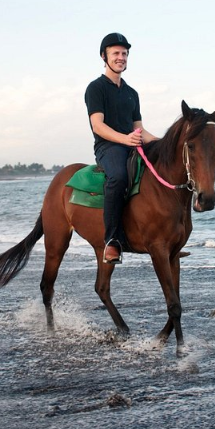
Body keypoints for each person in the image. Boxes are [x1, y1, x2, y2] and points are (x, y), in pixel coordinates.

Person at [84, 33, 158, 265]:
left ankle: (165, 235)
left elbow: (140, 130)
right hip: (109, 147)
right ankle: (112, 241)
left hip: (131, 143)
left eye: (124, 53)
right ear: (104, 56)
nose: (121, 57)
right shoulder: (96, 88)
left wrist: (164, 144)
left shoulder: (131, 93)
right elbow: (98, 125)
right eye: (116, 53)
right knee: (118, 177)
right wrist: (125, 140)